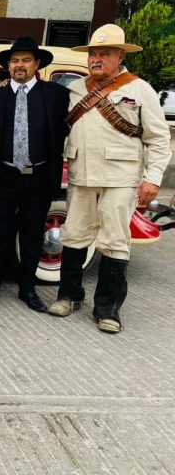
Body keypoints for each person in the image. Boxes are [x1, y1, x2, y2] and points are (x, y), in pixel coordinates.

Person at [47, 24, 171, 333]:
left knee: (115, 241)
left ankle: (108, 309)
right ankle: (69, 296)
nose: (96, 59)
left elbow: (158, 139)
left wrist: (152, 179)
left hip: (121, 178)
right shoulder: (76, 89)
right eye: (93, 54)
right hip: (81, 175)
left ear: (119, 56)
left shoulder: (139, 89)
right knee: (73, 235)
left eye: (104, 54)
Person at [0, 37, 70, 311]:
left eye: (26, 60)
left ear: (37, 64)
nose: (20, 65)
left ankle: (27, 289)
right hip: (5, 174)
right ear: (8, 65)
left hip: (38, 176)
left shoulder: (56, 94)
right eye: (15, 60)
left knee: (31, 235)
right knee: (0, 232)